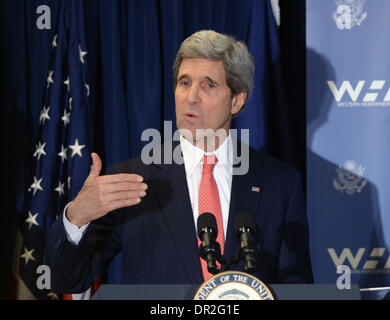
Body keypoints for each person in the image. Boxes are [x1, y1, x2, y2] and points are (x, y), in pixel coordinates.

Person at [44, 30, 312, 294]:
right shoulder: (134, 179)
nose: (191, 97)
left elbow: (296, 285)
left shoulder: (280, 183)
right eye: (184, 83)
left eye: (209, 84)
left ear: (237, 100)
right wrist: (76, 216)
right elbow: (66, 280)